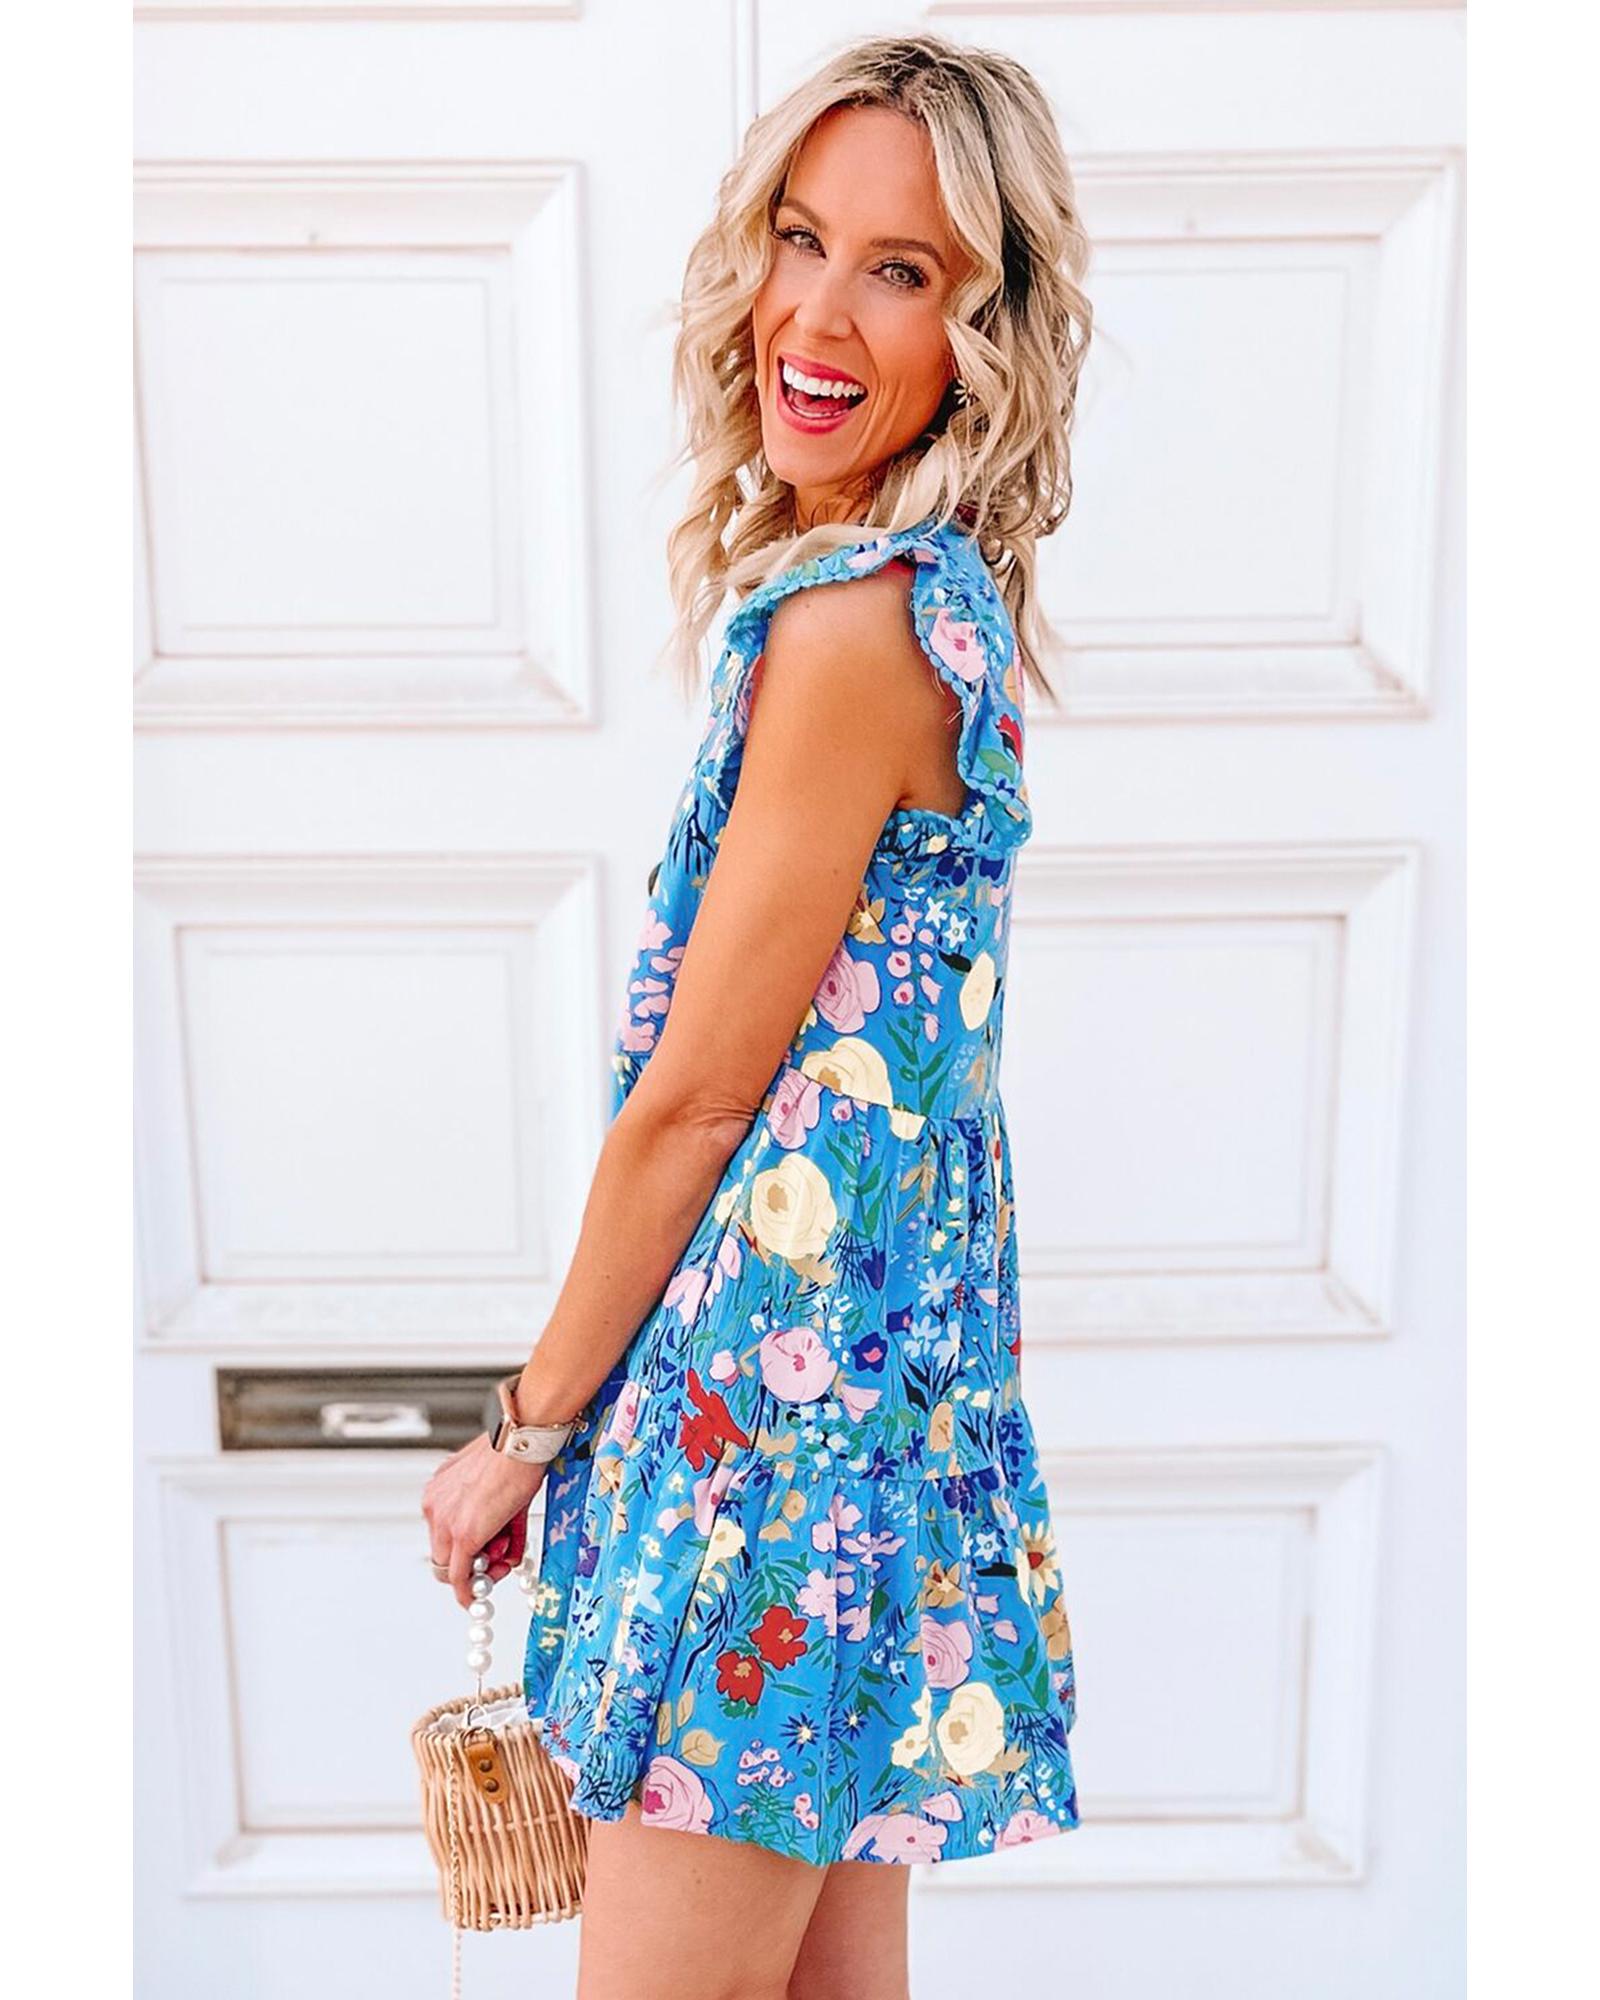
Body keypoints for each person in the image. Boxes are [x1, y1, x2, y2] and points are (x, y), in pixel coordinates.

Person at [423, 30, 1093, 2000]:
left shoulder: (852, 628)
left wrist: (521, 1431)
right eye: (800, 238)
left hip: (770, 1472)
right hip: (861, 1440)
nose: (813, 313)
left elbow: (700, 1102)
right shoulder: (937, 604)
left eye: (899, 270)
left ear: (983, 330)